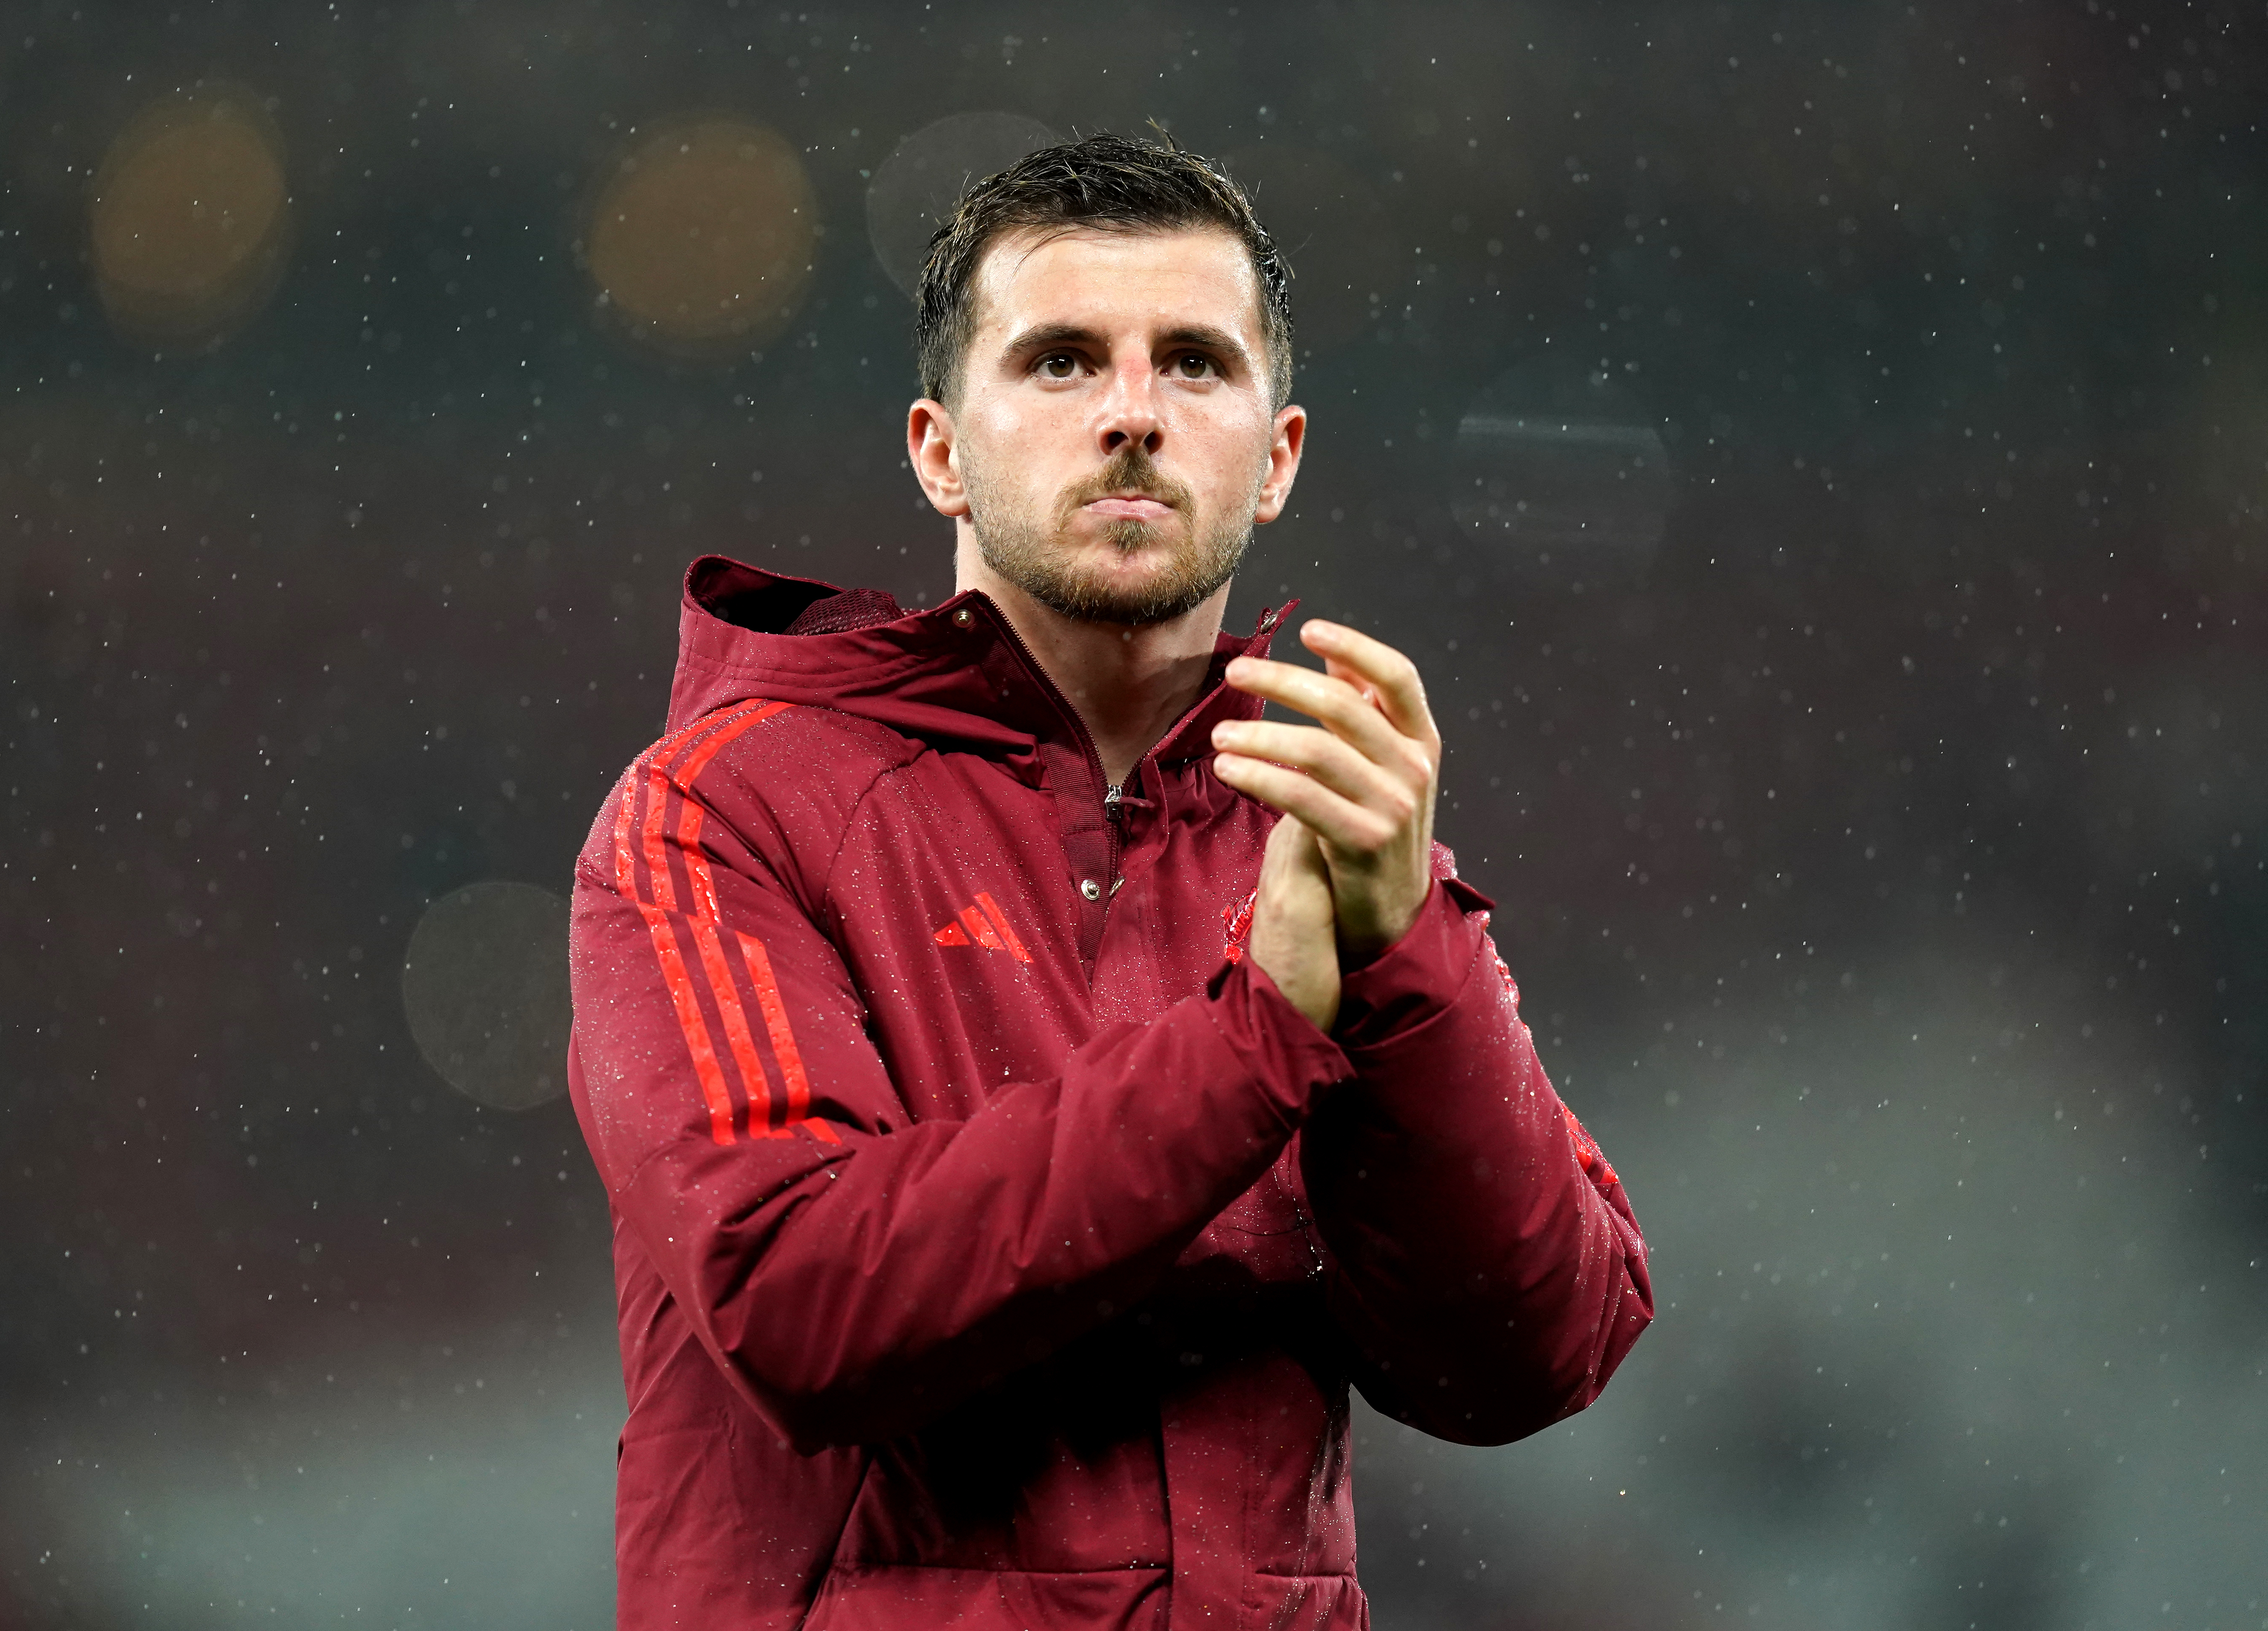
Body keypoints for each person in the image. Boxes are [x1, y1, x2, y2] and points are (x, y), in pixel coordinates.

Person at [564, 132, 1653, 1631]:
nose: (1134, 413)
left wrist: (1408, 951)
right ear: (941, 451)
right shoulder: (722, 809)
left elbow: (1535, 1353)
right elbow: (799, 1298)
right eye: (1063, 361)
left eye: (1194, 364)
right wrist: (1255, 1044)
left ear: (1277, 460)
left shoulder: (1326, 830)